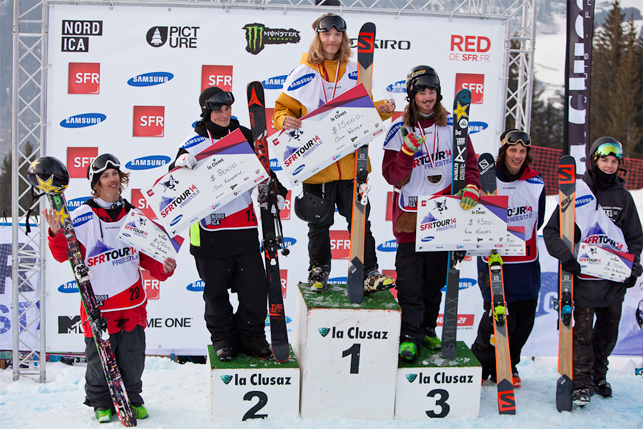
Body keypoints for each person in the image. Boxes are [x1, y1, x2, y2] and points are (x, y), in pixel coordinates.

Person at [40, 154, 176, 423]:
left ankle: (133, 398)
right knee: (98, 357)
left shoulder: (133, 214)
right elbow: (67, 254)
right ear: (96, 182)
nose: (112, 179)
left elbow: (147, 256)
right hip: (98, 302)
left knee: (132, 356)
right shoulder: (81, 216)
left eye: (115, 174)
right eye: (105, 176)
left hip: (132, 301)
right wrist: (57, 234)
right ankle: (101, 402)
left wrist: (164, 267)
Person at [273, 13, 396, 294]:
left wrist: (383, 109)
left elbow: (360, 112)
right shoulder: (304, 72)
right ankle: (319, 270)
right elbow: (282, 109)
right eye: (326, 34)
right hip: (316, 166)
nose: (332, 39)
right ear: (318, 37)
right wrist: (283, 121)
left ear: (343, 38)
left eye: (337, 35)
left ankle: (369, 272)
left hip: (353, 165)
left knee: (359, 223)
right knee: (318, 225)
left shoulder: (355, 70)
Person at [170, 86, 287, 363]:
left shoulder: (245, 136)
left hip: (243, 227)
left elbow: (264, 169)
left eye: (228, 108)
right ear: (206, 111)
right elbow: (172, 188)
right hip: (208, 234)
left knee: (255, 290)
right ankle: (223, 339)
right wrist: (179, 166)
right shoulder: (193, 141)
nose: (224, 114)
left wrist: (276, 190)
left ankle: (252, 337)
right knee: (215, 294)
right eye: (218, 109)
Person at [382, 65, 481, 361]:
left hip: (444, 215)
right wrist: (406, 154)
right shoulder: (400, 130)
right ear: (411, 96)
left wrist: (472, 187)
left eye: (432, 91)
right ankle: (409, 335)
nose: (428, 97)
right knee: (410, 282)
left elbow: (470, 166)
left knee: (435, 280)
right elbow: (391, 176)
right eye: (422, 91)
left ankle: (426, 329)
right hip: (411, 217)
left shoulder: (454, 126)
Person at [544, 137, 642, 406]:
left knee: (608, 333)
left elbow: (635, 238)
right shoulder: (577, 192)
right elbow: (552, 232)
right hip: (584, 279)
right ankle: (582, 382)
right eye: (604, 160)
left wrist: (633, 268)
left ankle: (599, 375)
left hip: (613, 279)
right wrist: (567, 258)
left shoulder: (624, 197)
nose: (609, 166)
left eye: (614, 161)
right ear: (594, 160)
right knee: (583, 333)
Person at [470, 129, 546, 387]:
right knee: (497, 313)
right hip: (495, 259)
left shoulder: (536, 183)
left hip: (525, 259)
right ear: (504, 152)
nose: (518, 156)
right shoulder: (487, 179)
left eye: (523, 151)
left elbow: (539, 220)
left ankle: (510, 363)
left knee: (525, 317)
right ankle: (482, 363)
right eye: (513, 150)